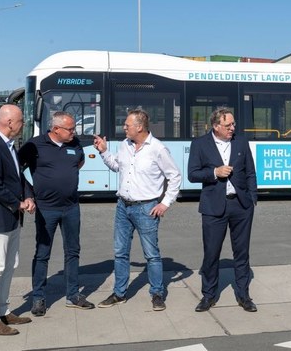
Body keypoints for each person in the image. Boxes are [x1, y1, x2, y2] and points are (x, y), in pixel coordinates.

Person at [93, 109, 181, 311]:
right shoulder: (124, 145)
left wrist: (165, 203)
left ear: (139, 127)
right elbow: (117, 166)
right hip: (123, 206)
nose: (124, 127)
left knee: (151, 255)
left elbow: (174, 176)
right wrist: (104, 151)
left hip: (146, 208)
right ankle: (119, 294)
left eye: (127, 125)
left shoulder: (158, 149)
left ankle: (157, 294)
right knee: (120, 253)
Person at [19, 111, 94, 316]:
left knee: (73, 251)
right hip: (46, 209)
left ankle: (72, 295)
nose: (74, 132)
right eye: (70, 129)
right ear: (55, 129)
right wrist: (28, 194)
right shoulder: (34, 145)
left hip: (71, 208)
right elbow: (16, 171)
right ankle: (39, 298)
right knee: (43, 254)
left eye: (74, 128)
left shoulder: (75, 143)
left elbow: (79, 162)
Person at [187, 106, 258, 313]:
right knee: (211, 253)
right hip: (213, 206)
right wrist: (214, 172)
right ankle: (208, 295)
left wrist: (252, 197)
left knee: (242, 253)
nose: (232, 128)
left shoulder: (241, 142)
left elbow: (251, 172)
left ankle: (244, 295)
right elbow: (192, 174)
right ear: (216, 126)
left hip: (241, 205)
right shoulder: (200, 144)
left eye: (233, 124)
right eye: (228, 125)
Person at [0, 104, 35, 336]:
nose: (23, 126)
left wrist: (28, 195)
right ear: (9, 122)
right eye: (21, 121)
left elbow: (18, 178)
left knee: (10, 265)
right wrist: (18, 203)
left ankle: (2, 310)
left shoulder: (9, 146)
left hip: (12, 216)